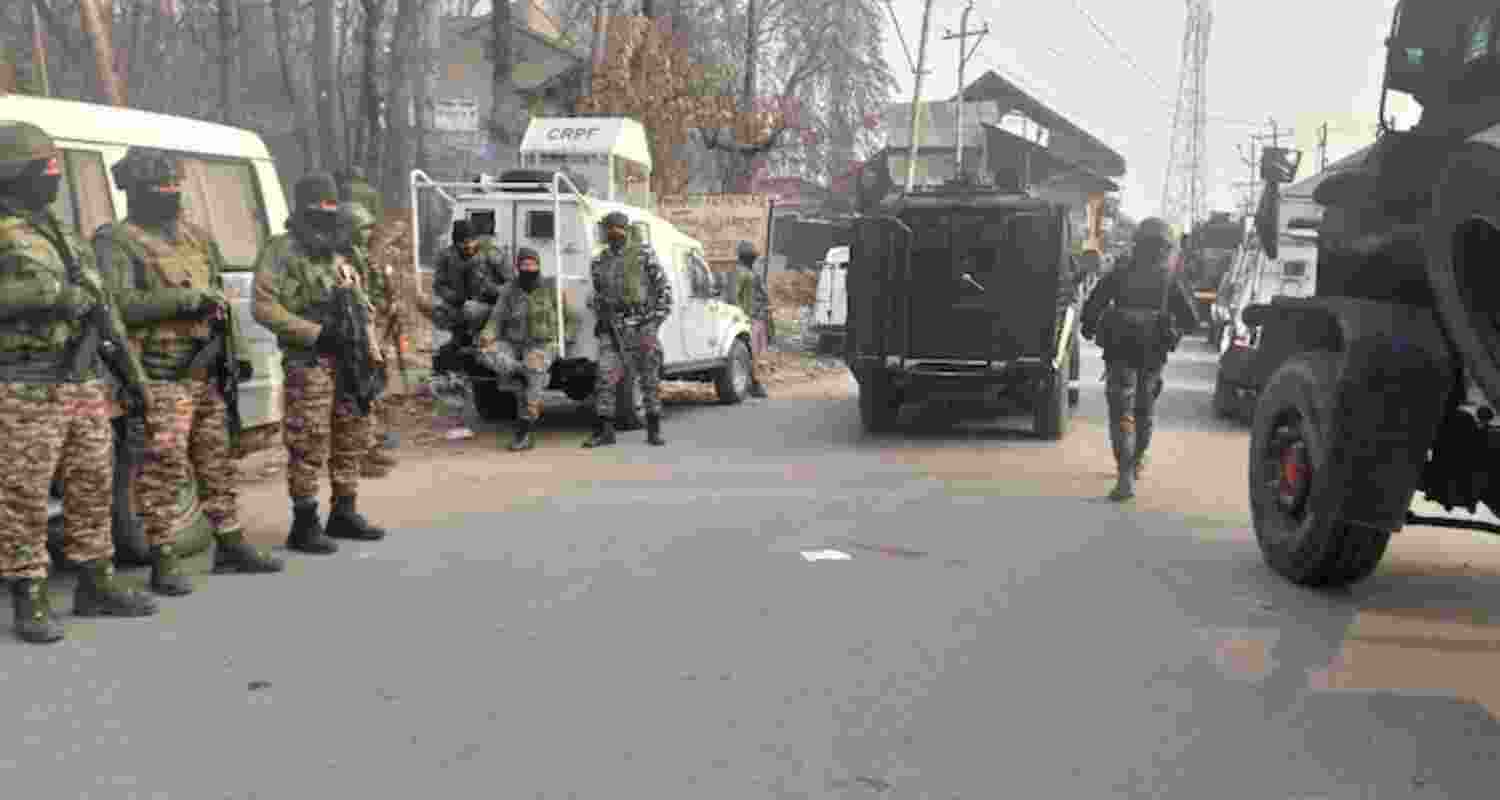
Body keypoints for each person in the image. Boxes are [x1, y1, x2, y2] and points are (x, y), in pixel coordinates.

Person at [93, 147, 284, 595]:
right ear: (136, 193)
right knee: (162, 470)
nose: (170, 196)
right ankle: (163, 557)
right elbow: (115, 305)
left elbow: (217, 299)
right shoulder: (116, 242)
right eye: (159, 189)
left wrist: (232, 353)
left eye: (174, 187)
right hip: (159, 375)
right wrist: (184, 301)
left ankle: (231, 542)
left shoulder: (197, 238)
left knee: (215, 463)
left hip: (205, 372)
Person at [0, 121, 160, 643]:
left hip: (82, 381)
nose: (54, 178)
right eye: (44, 169)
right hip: (25, 384)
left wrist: (132, 377)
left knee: (92, 483)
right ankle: (30, 597)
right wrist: (44, 297)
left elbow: (104, 309)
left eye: (55, 169)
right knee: (23, 496)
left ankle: (96, 583)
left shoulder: (63, 233)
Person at [252, 172, 388, 553]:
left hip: (350, 358)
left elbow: (362, 303)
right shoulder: (281, 250)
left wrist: (372, 352)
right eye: (318, 204)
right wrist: (313, 332)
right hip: (308, 360)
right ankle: (305, 521)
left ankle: (344, 510)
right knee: (308, 440)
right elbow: (263, 306)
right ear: (302, 206)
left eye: (332, 204)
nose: (326, 211)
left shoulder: (345, 249)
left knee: (351, 435)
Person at [1079, 217, 1199, 502]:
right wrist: (1171, 329)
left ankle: (1124, 475)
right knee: (1144, 410)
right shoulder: (1169, 281)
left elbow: (1092, 308)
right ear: (1166, 248)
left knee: (1121, 412)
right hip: (1152, 355)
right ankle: (1136, 463)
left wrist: (1090, 326)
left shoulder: (1119, 274)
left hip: (1119, 353)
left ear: (1137, 244)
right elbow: (1192, 320)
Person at [474, 247, 579, 451]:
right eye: (523, 265)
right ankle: (519, 370)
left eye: (531, 264)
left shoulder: (551, 287)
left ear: (538, 265)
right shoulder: (509, 290)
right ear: (517, 267)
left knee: (534, 365)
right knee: (484, 352)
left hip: (542, 344)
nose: (527, 268)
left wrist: (562, 340)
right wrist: (487, 336)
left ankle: (524, 430)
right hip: (513, 344)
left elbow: (572, 318)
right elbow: (496, 319)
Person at [584, 211, 672, 448]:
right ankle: (605, 431)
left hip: (642, 326)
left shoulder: (644, 254)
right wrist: (600, 314)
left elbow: (664, 289)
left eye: (613, 229)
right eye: (608, 229)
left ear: (621, 230)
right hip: (612, 328)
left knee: (648, 378)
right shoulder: (599, 261)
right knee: (605, 377)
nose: (610, 234)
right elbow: (599, 294)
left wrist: (654, 322)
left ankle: (653, 429)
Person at [339, 201, 399, 479]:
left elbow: (377, 292)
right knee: (357, 395)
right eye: (361, 228)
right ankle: (359, 453)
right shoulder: (343, 259)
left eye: (368, 228)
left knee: (371, 390)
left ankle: (369, 445)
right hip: (355, 334)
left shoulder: (363, 256)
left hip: (373, 329)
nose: (366, 233)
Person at [432, 219, 513, 344]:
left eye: (471, 241)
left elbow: (512, 286)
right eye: (463, 242)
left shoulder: (492, 254)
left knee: (470, 310)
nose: (469, 245)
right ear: (456, 242)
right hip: (459, 304)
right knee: (439, 314)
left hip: (490, 307)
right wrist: (454, 296)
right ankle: (459, 339)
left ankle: (478, 339)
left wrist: (491, 289)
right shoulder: (446, 256)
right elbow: (438, 285)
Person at [729, 241, 771, 399]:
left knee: (753, 352)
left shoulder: (749, 272)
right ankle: (753, 384)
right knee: (749, 352)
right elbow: (734, 297)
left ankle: (753, 383)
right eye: (752, 257)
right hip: (746, 318)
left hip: (753, 317)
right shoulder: (741, 273)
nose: (754, 259)